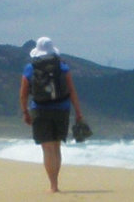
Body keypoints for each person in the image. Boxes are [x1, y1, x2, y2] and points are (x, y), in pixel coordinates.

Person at [19, 37, 86, 193]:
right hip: (61, 109)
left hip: (40, 109)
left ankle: (53, 186)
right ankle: (55, 184)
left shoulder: (29, 69)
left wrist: (25, 112)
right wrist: (78, 112)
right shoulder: (63, 67)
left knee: (47, 148)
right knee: (56, 147)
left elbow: (23, 94)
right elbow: (72, 90)